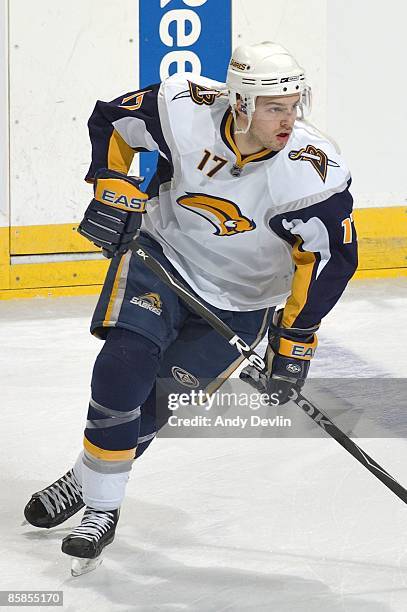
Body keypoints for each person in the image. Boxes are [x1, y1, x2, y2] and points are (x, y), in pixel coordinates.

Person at [24, 41, 358, 572]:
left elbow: (329, 261)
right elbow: (113, 121)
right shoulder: (185, 107)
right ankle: (102, 511)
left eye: (295, 105)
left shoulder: (311, 171)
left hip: (242, 303)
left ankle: (84, 479)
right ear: (240, 103)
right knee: (121, 370)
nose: (288, 119)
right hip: (165, 259)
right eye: (275, 107)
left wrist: (294, 342)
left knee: (153, 408)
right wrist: (114, 191)